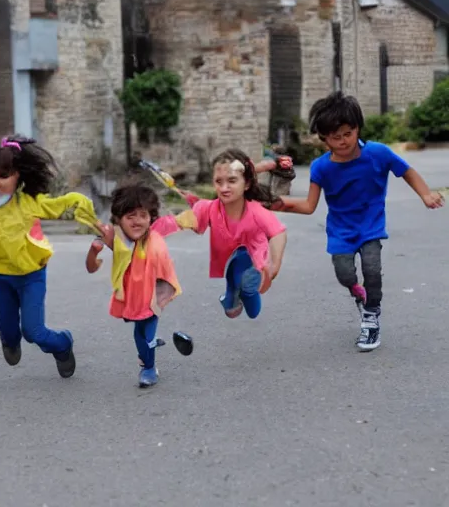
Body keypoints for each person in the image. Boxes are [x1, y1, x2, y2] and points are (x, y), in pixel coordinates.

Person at [272, 91, 444, 351]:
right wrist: (273, 204)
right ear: (324, 139)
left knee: (372, 268)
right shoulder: (321, 168)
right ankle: (358, 293)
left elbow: (406, 171)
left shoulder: (378, 153)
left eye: (347, 134)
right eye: (335, 137)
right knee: (345, 274)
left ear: (357, 128)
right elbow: (308, 206)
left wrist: (426, 194)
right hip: (341, 230)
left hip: (371, 225)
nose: (342, 141)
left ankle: (371, 315)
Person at [0, 135, 99, 379]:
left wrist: (87, 214)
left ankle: (62, 344)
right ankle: (11, 342)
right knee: (9, 336)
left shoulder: (29, 202)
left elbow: (60, 205)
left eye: (3, 176)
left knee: (33, 331)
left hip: (31, 274)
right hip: (1, 276)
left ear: (18, 176)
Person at [86, 183, 193, 387]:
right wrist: (94, 251)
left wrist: (204, 212)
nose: (137, 221)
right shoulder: (116, 238)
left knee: (146, 333)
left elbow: (184, 220)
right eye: (130, 216)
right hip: (132, 297)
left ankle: (149, 367)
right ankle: (147, 351)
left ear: (151, 217)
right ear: (119, 219)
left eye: (142, 215)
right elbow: (91, 268)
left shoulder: (155, 233)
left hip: (154, 294)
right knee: (139, 333)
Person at [176, 149, 289, 320]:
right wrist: (195, 210)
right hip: (229, 257)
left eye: (231, 181)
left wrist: (274, 266)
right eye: (218, 182)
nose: (224, 188)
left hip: (253, 258)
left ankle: (247, 294)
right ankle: (233, 296)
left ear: (247, 184)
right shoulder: (214, 207)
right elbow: (198, 226)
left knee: (248, 293)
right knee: (233, 282)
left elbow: (278, 233)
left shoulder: (255, 210)